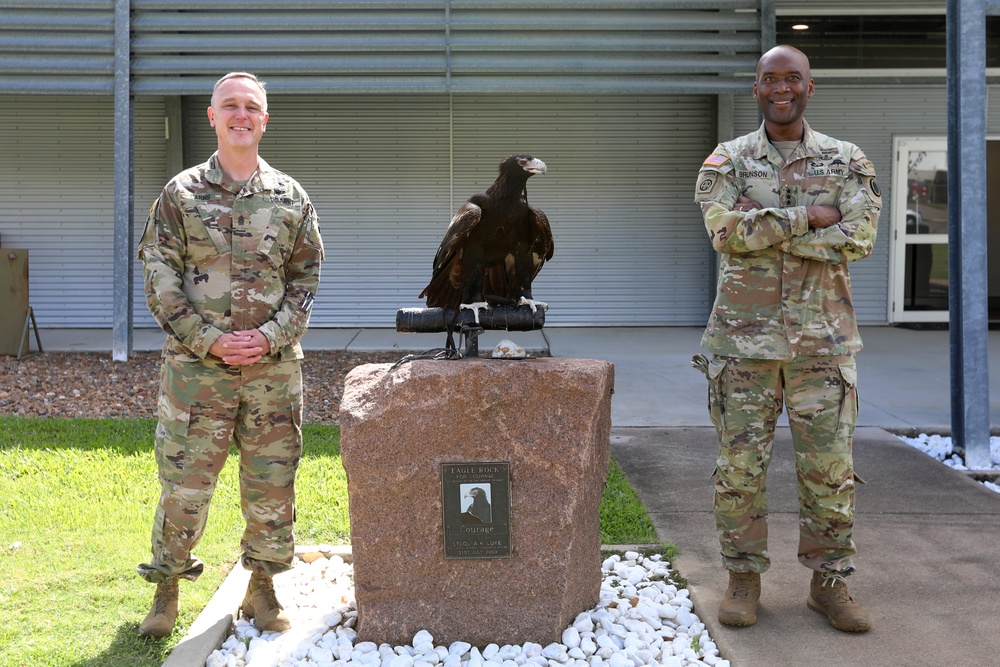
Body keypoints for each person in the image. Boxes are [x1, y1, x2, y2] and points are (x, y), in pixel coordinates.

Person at [692, 45, 881, 633]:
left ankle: (830, 585)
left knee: (830, 471)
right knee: (740, 470)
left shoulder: (845, 159)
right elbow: (724, 232)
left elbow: (861, 236)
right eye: (770, 79)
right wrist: (810, 218)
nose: (781, 88)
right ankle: (743, 578)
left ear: (809, 87)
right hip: (743, 348)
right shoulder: (726, 159)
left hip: (824, 346)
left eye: (791, 78)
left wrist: (766, 224)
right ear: (756, 89)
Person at [135, 72, 324, 638]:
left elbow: (306, 279)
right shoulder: (181, 193)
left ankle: (261, 589)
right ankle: (166, 590)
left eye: (252, 107)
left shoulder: (291, 197)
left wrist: (268, 337)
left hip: (272, 371)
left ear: (264, 120)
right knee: (185, 484)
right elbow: (158, 273)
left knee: (272, 483)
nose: (241, 114)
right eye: (230, 106)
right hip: (197, 372)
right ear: (213, 117)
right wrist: (208, 338)